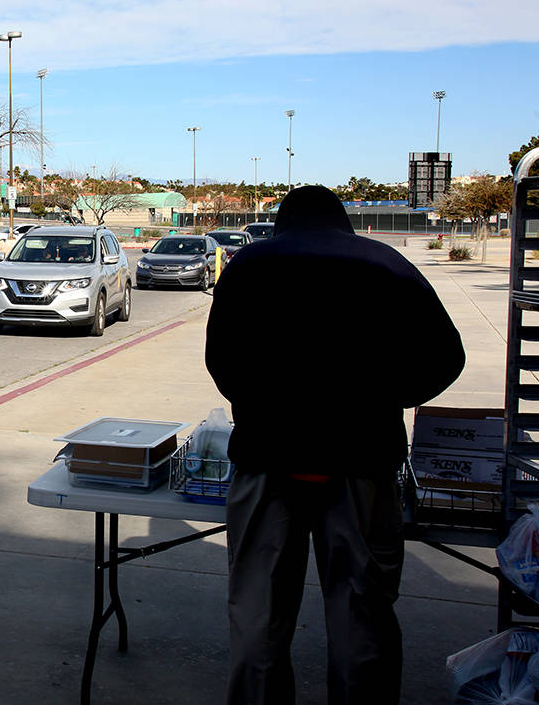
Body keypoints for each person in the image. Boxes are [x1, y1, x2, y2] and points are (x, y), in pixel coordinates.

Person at [205, 186, 465, 705]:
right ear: (342, 220)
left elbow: (222, 361)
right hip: (361, 463)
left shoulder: (249, 264)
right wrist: (385, 398)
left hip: (267, 459)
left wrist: (268, 409)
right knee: (360, 617)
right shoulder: (388, 263)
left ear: (283, 221)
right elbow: (445, 357)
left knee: (258, 618)